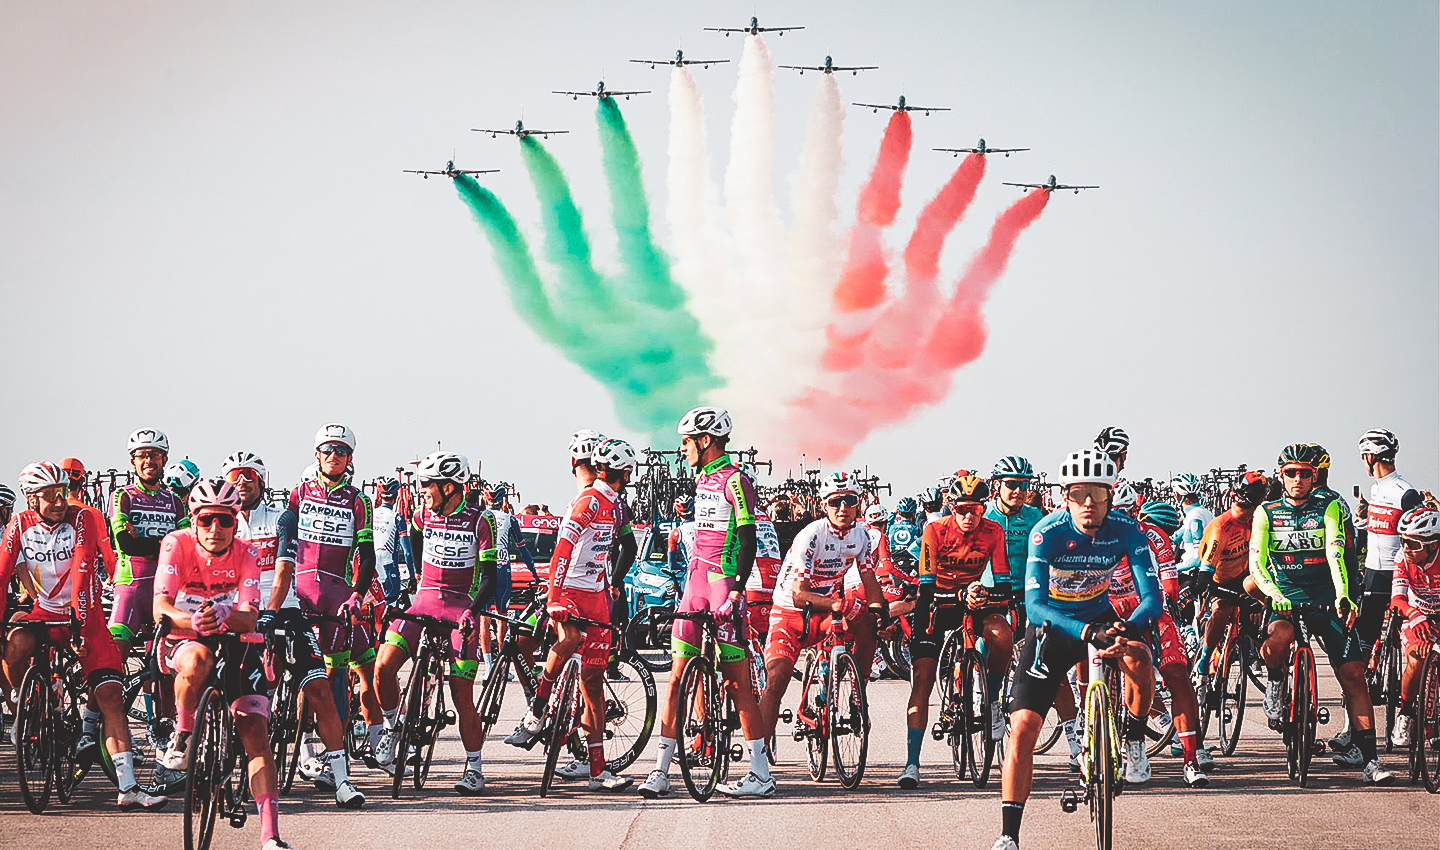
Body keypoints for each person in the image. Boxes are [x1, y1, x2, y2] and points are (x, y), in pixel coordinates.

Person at [992, 448, 1160, 850]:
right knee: (1024, 729)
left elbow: (1151, 598)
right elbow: (1034, 607)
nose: (1089, 503)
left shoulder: (1127, 530)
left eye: (1098, 494)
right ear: (1064, 496)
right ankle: (1009, 835)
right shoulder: (1047, 532)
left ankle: (1134, 741)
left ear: (1110, 494)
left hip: (1101, 618)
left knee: (1138, 655)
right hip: (1054, 627)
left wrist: (1128, 626)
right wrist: (1085, 632)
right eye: (1079, 493)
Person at [0, 462, 168, 810]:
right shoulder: (18, 525)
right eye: (49, 496)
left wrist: (78, 624)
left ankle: (128, 786)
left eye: (62, 493)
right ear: (31, 499)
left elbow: (80, 567)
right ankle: (25, 709)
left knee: (110, 695)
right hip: (43, 614)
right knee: (13, 646)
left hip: (85, 617)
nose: (60, 502)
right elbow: (2, 574)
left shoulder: (84, 518)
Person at [636, 407, 771, 799]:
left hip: (722, 585)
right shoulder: (702, 480)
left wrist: (736, 590)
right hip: (694, 585)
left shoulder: (736, 480)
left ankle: (760, 774)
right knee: (676, 677)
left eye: (686, 442)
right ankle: (661, 771)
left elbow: (748, 540)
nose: (683, 449)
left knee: (736, 682)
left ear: (705, 441)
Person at [153, 479, 295, 849]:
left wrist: (225, 611)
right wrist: (193, 622)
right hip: (186, 635)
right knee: (197, 659)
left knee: (254, 735)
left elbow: (250, 617)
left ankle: (270, 835)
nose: (215, 529)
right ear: (194, 520)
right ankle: (184, 735)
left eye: (225, 520)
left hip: (236, 637)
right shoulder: (176, 544)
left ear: (236, 521)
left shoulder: (246, 553)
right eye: (207, 520)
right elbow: (161, 608)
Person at [1249, 443, 1393, 785]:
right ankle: (1275, 681)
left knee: (1355, 673)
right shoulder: (1266, 511)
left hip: (1327, 598)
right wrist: (1274, 595)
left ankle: (1370, 760)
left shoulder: (1327, 506)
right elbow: (1256, 561)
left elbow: (1335, 552)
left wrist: (1344, 595)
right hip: (1284, 596)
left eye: (1305, 473)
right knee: (1279, 636)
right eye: (1291, 473)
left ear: (1315, 476)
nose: (1298, 479)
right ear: (1280, 475)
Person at [505, 438, 638, 792]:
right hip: (570, 591)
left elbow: (619, 550)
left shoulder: (614, 505)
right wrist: (555, 595)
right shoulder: (589, 500)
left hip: (596, 595)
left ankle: (597, 772)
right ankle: (536, 714)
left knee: (593, 684)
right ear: (623, 473)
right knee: (568, 640)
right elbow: (563, 547)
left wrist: (612, 588)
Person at [372, 453, 498, 794]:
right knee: (383, 666)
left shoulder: (480, 520)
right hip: (424, 599)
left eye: (427, 485)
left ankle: (474, 768)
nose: (422, 490)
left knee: (462, 694)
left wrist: (473, 610)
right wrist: (414, 574)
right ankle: (391, 728)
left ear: (448, 486)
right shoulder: (421, 514)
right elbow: (412, 534)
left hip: (460, 609)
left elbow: (489, 577)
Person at [757, 471, 886, 796]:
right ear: (824, 506)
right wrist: (835, 603)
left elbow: (869, 579)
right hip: (791, 610)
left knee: (869, 626)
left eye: (850, 501)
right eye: (835, 502)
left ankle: (858, 692)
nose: (843, 507)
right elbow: (800, 594)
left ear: (859, 504)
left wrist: (876, 606)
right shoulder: (810, 536)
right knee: (778, 677)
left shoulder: (861, 536)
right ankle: (757, 767)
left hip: (828, 607)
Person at [273, 424, 373, 805]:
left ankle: (333, 759)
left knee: (332, 678)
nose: (334, 456)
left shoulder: (357, 501)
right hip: (298, 590)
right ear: (316, 454)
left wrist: (357, 595)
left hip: (335, 594)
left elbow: (367, 557)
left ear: (349, 459)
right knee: (293, 670)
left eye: (341, 451)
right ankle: (305, 753)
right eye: (328, 450)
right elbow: (283, 546)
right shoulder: (298, 495)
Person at [899, 475, 1011, 788]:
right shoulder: (933, 530)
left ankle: (991, 698)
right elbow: (926, 585)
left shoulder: (994, 531)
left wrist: (989, 596)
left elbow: (1003, 582)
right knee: (922, 676)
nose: (968, 516)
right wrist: (961, 595)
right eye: (962, 509)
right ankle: (911, 764)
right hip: (937, 602)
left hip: (972, 597)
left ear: (983, 507)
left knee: (1002, 633)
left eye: (974, 509)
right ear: (952, 507)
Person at [1112, 482, 1211, 785]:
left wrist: (1172, 609)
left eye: (1128, 511)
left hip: (1151, 607)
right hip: (1107, 610)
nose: (1122, 517)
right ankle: (1095, 748)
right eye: (1116, 511)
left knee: (1177, 673)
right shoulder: (1087, 535)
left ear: (1136, 510)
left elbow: (1168, 585)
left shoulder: (1153, 535)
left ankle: (1192, 758)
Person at [109, 429, 188, 660]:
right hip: (131, 588)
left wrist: (147, 542)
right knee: (114, 656)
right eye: (142, 455)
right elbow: (126, 545)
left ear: (164, 459)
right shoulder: (122, 496)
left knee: (162, 663)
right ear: (133, 461)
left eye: (154, 455)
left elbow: (185, 548)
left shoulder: (175, 502)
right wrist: (165, 543)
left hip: (166, 588)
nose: (148, 461)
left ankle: (152, 698)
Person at [1355, 430, 1422, 677]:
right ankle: (1362, 683)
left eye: (1363, 457)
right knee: (1365, 634)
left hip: (1397, 572)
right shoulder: (1374, 490)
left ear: (1370, 456)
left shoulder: (1405, 492)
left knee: (1407, 636)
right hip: (1373, 570)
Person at [1197, 472, 1270, 655]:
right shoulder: (1220, 527)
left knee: (1261, 618)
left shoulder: (1257, 521)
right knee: (1222, 612)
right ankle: (1204, 661)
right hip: (1221, 582)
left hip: (1247, 580)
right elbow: (1205, 574)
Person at [1387, 506, 1440, 748]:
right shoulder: (1402, 557)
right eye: (1403, 541)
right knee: (1417, 658)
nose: (1406, 549)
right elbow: (1396, 600)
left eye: (1413, 544)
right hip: (1416, 615)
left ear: (1433, 545)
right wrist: (1414, 613)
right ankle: (1405, 713)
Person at [479, 484, 536, 677]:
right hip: (502, 571)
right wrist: (534, 574)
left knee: (484, 619)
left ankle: (488, 666)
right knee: (502, 617)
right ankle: (502, 668)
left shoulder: (480, 518)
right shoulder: (510, 519)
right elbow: (524, 550)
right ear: (504, 500)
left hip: (484, 571)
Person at [1170, 472, 1214, 585]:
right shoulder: (1204, 513)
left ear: (1177, 496)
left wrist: (1170, 569)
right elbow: (1174, 537)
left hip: (1193, 574)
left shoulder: (1195, 517)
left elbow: (1198, 558)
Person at [372, 478, 408, 606]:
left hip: (371, 568)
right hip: (389, 566)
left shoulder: (371, 514)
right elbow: (407, 553)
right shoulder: (397, 517)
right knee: (390, 609)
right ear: (396, 496)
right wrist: (414, 577)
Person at [888, 496, 924, 571]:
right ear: (914, 513)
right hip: (913, 564)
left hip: (895, 564)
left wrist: (893, 513)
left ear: (899, 512)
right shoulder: (917, 528)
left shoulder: (891, 528)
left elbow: (887, 523)